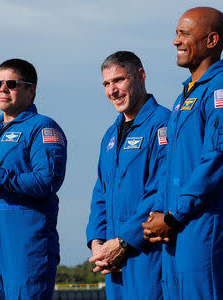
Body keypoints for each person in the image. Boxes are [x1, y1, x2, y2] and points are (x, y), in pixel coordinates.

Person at [142, 7, 223, 300]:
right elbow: (170, 165)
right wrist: (161, 212)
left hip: (205, 219)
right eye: (176, 34)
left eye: (184, 34)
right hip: (178, 222)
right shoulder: (184, 98)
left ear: (211, 40)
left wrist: (173, 216)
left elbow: (218, 160)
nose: (175, 41)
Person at [0, 58, 67, 299]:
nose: (2, 89)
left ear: (31, 89)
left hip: (27, 246)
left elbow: (47, 180)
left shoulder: (43, 128)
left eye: (11, 83)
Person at [86, 51, 170, 299]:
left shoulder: (163, 124)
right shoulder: (110, 136)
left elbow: (161, 191)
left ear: (141, 76)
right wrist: (97, 242)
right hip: (113, 259)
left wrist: (124, 241)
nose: (113, 90)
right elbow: (100, 192)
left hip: (148, 253)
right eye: (106, 84)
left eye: (119, 80)